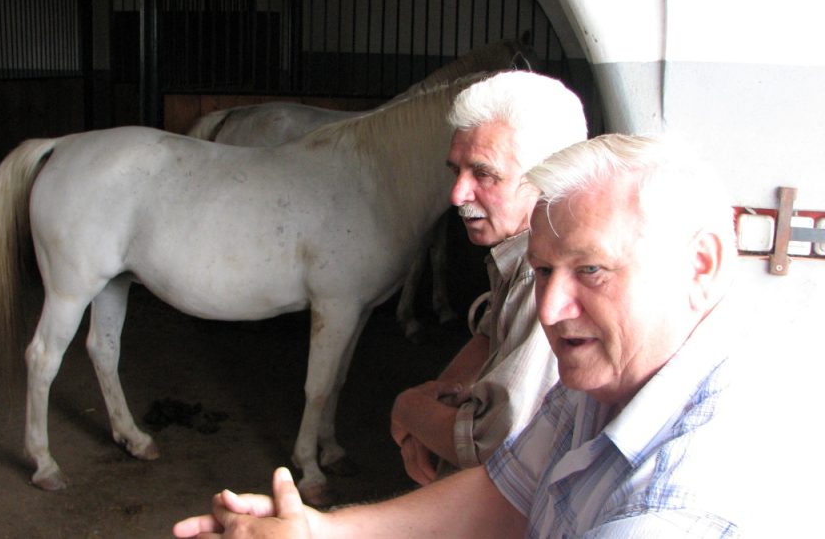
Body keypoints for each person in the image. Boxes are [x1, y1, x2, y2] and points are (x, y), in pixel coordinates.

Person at [172, 133, 745, 537]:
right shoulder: (608, 381)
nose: (549, 308)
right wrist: (318, 532)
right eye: (543, 271)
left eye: (590, 270)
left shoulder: (678, 511)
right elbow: (502, 497)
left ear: (701, 265)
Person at [390, 70, 588, 486]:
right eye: (456, 171)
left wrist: (408, 409)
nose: (457, 195)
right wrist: (429, 417)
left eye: (483, 174)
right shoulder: (518, 254)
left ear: (548, 179)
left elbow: (489, 445)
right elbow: (486, 339)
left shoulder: (549, 282)